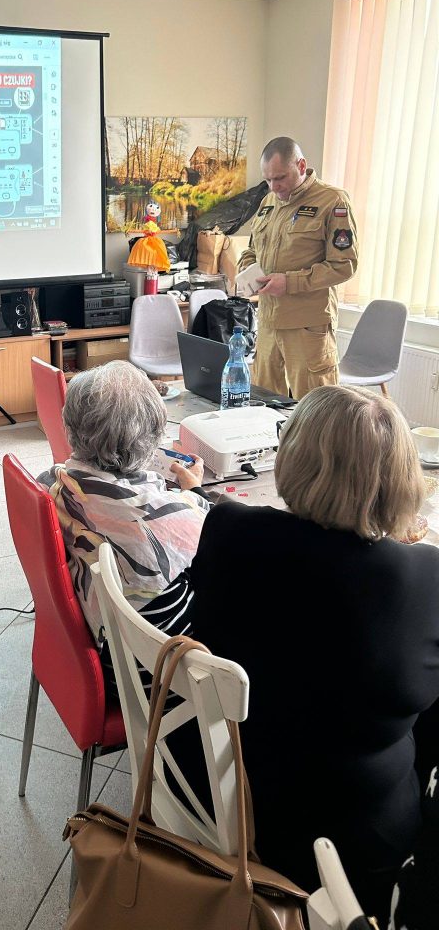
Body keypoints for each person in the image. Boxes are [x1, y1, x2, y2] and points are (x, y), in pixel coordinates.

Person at [187, 385, 439, 924]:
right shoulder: (423, 578)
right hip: (358, 848)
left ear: (293, 458)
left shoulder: (228, 527)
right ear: (401, 479)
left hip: (226, 790)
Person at [40, 361, 209, 690]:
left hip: (98, 651)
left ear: (70, 425)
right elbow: (219, 528)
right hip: (158, 680)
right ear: (151, 440)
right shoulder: (169, 519)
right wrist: (196, 491)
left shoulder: (55, 483)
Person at [239, 136, 358, 398]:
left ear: (301, 165)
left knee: (315, 409)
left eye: (280, 178)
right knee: (263, 403)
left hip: (307, 327)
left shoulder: (332, 201)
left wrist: (289, 282)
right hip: (268, 323)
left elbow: (344, 264)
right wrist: (247, 269)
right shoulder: (268, 202)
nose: (274, 186)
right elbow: (251, 250)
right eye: (268, 180)